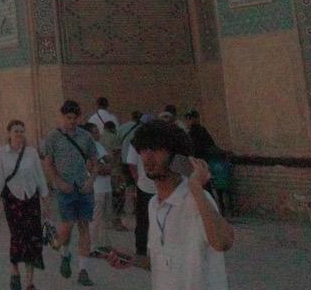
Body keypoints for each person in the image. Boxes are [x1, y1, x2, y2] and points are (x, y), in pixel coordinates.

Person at [119, 119, 232, 288]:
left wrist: (197, 188)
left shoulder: (197, 199)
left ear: (176, 155)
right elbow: (162, 263)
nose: (147, 157)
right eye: (143, 149)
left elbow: (223, 242)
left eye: (156, 149)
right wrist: (133, 259)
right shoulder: (153, 205)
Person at [39, 100, 98, 286]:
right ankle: (65, 254)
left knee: (84, 227)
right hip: (65, 188)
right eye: (68, 117)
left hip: (83, 187)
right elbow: (48, 164)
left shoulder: (86, 137)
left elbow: (95, 161)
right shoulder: (53, 137)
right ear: (62, 116)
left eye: (75, 118)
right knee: (67, 227)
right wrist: (57, 181)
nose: (72, 121)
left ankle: (83, 270)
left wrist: (90, 181)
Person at [0, 119, 47, 290]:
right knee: (17, 237)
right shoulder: (1, 153)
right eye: (16, 131)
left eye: (22, 131)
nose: (19, 134)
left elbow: (39, 176)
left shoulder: (31, 152)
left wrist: (46, 199)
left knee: (33, 239)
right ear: (9, 133)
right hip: (13, 201)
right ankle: (14, 269)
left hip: (31, 200)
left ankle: (30, 283)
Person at [125, 116, 158, 259]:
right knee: (145, 220)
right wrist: (138, 180)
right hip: (146, 186)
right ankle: (141, 250)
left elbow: (131, 164)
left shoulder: (140, 142)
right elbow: (131, 164)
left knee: (148, 220)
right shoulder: (137, 143)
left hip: (153, 186)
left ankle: (147, 250)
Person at [85, 122, 113, 257]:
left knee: (103, 218)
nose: (98, 134)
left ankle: (103, 243)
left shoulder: (99, 145)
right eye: (95, 131)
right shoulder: (89, 147)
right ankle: (91, 247)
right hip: (97, 187)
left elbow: (109, 160)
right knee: (95, 218)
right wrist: (103, 167)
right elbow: (92, 166)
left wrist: (106, 166)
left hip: (105, 186)